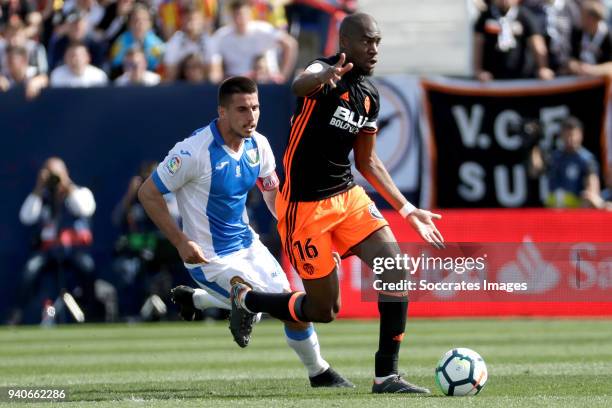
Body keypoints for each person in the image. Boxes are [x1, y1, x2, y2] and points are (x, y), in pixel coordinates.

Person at [228, 13, 444, 394]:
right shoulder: (324, 72)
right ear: (345, 42)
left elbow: (368, 161)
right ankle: (249, 299)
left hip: (347, 198)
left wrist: (407, 209)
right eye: (366, 41)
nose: (374, 49)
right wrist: (322, 78)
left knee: (395, 269)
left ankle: (386, 376)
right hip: (304, 208)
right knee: (324, 310)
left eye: (377, 41)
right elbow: (299, 83)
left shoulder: (370, 95)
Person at [137, 76, 353, 387]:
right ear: (222, 112)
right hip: (208, 258)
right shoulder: (192, 152)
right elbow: (148, 193)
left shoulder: (259, 145)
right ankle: (319, 370)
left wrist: (301, 235)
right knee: (252, 296)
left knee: (292, 306)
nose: (250, 116)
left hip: (248, 245)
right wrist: (180, 241)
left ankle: (202, 302)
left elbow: (271, 194)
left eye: (255, 107)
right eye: (241, 109)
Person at [9, 157, 96, 324]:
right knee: (30, 269)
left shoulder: (79, 192)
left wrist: (67, 186)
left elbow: (85, 209)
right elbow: (26, 217)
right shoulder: (42, 197)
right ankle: (17, 314)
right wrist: (39, 187)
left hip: (73, 250)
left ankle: (90, 312)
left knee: (87, 267)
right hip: (48, 251)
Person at [208, 0, 297, 83]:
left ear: (250, 14)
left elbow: (290, 44)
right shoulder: (221, 36)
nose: (239, 18)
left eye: (243, 14)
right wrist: (217, 80)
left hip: (264, 83)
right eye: (236, 15)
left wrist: (283, 76)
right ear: (231, 16)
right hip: (234, 84)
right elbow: (215, 66)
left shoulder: (263, 29)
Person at [530, 116, 602, 208]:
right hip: (554, 210)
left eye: (573, 135)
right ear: (561, 135)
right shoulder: (554, 157)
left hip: (576, 212)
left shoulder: (587, 160)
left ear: (581, 135)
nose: (570, 139)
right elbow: (535, 172)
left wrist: (586, 204)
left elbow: (593, 191)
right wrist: (534, 145)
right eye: (567, 135)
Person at [473, 0, 555, 80]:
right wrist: (478, 70)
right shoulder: (485, 16)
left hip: (522, 78)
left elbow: (537, 42)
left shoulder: (524, 15)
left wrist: (543, 68)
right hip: (492, 79)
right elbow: (478, 44)